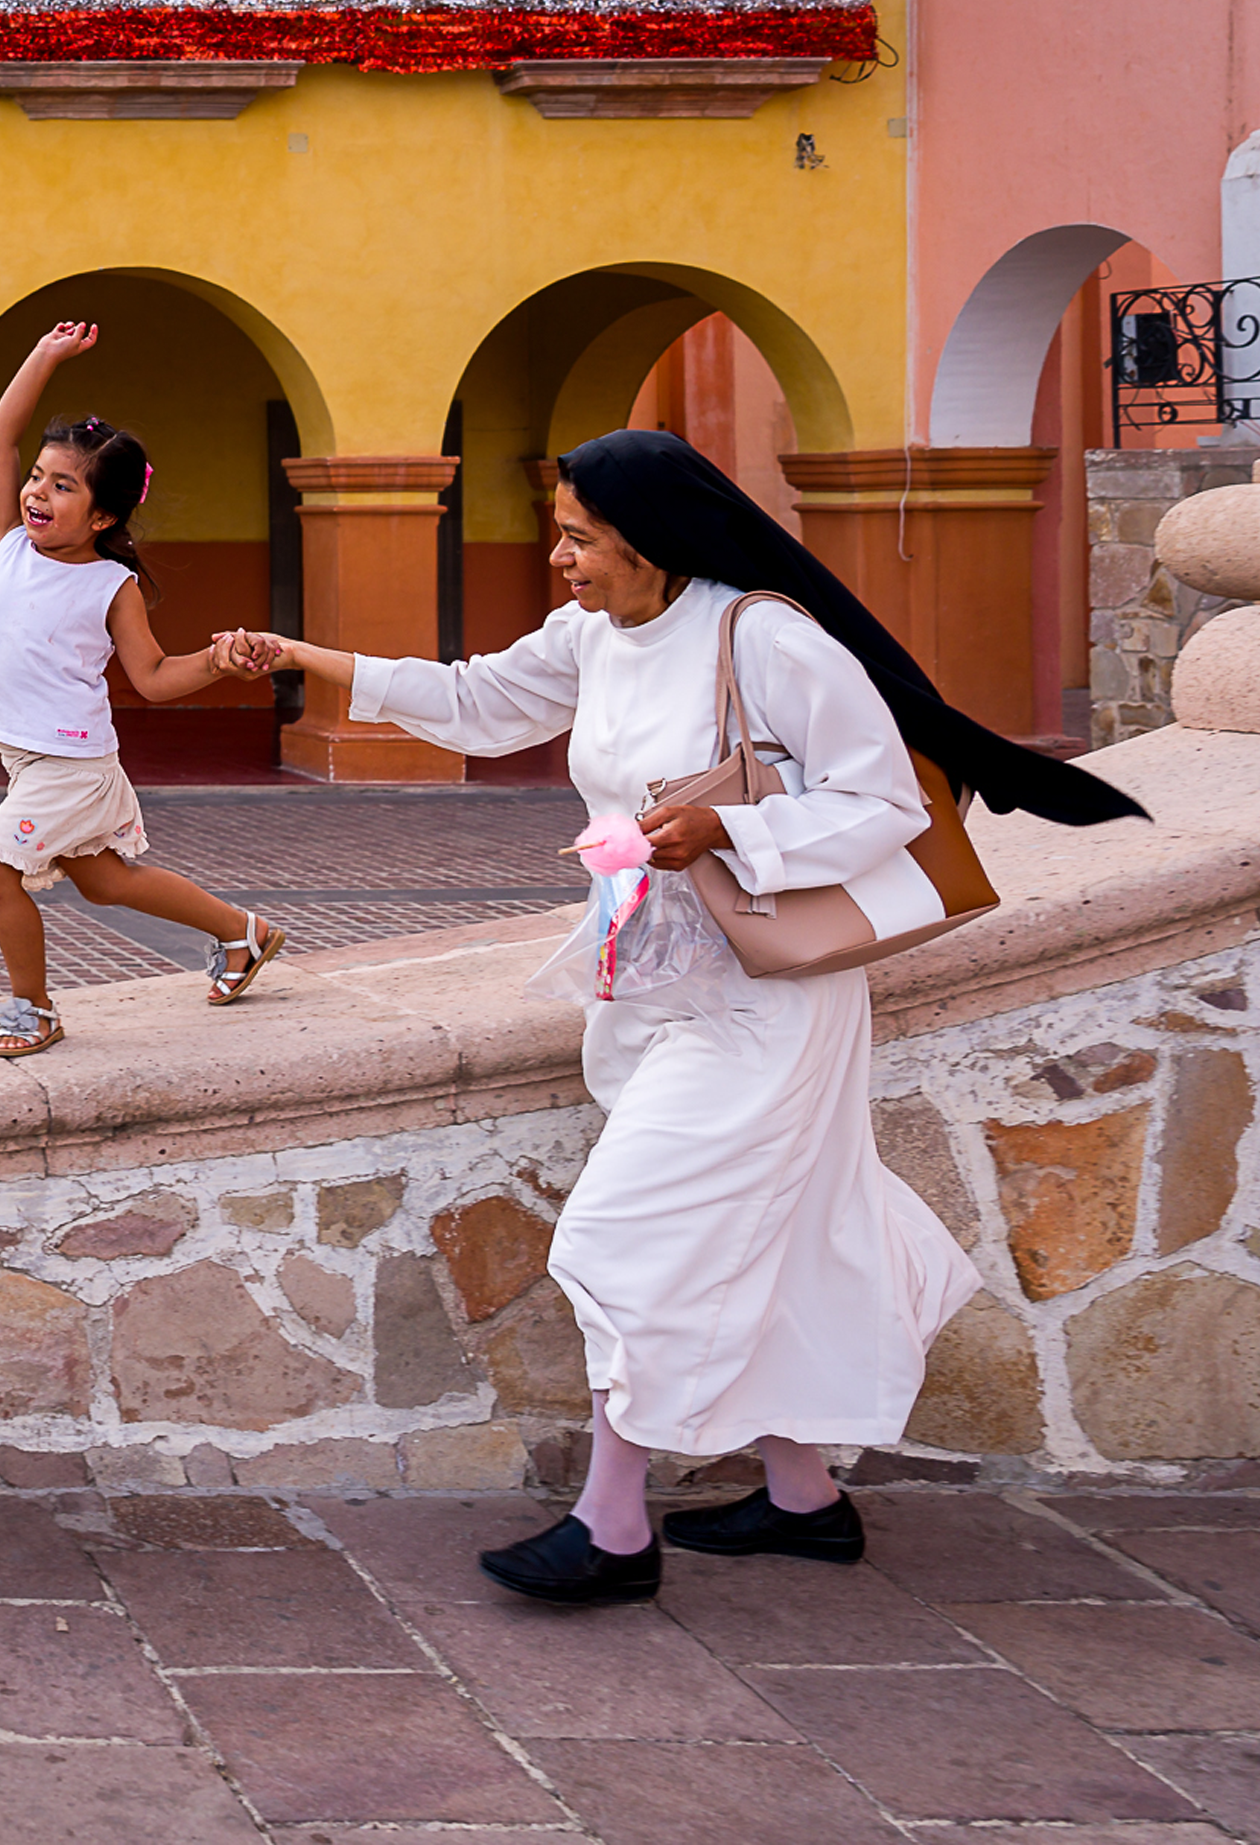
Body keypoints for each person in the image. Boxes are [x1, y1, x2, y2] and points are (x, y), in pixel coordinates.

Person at [232, 429, 1146, 1603]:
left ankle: (611, 1524)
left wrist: (731, 828)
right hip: (654, 983)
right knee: (772, 1236)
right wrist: (297, 654)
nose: (557, 556)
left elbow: (882, 802)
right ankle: (803, 1498)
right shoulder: (592, 635)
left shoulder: (762, 636)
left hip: (768, 1002)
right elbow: (474, 700)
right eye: (558, 532)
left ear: (650, 540)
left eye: (578, 537)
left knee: (622, 1236)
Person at [0, 320, 286, 1057]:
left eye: (62, 486)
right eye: (39, 477)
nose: (37, 491)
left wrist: (218, 662)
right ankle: (243, 932)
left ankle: (33, 1012)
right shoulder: (6, 543)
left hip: (70, 763)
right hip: (28, 758)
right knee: (104, 882)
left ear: (102, 516)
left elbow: (155, 678)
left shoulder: (110, 584)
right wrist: (43, 357)